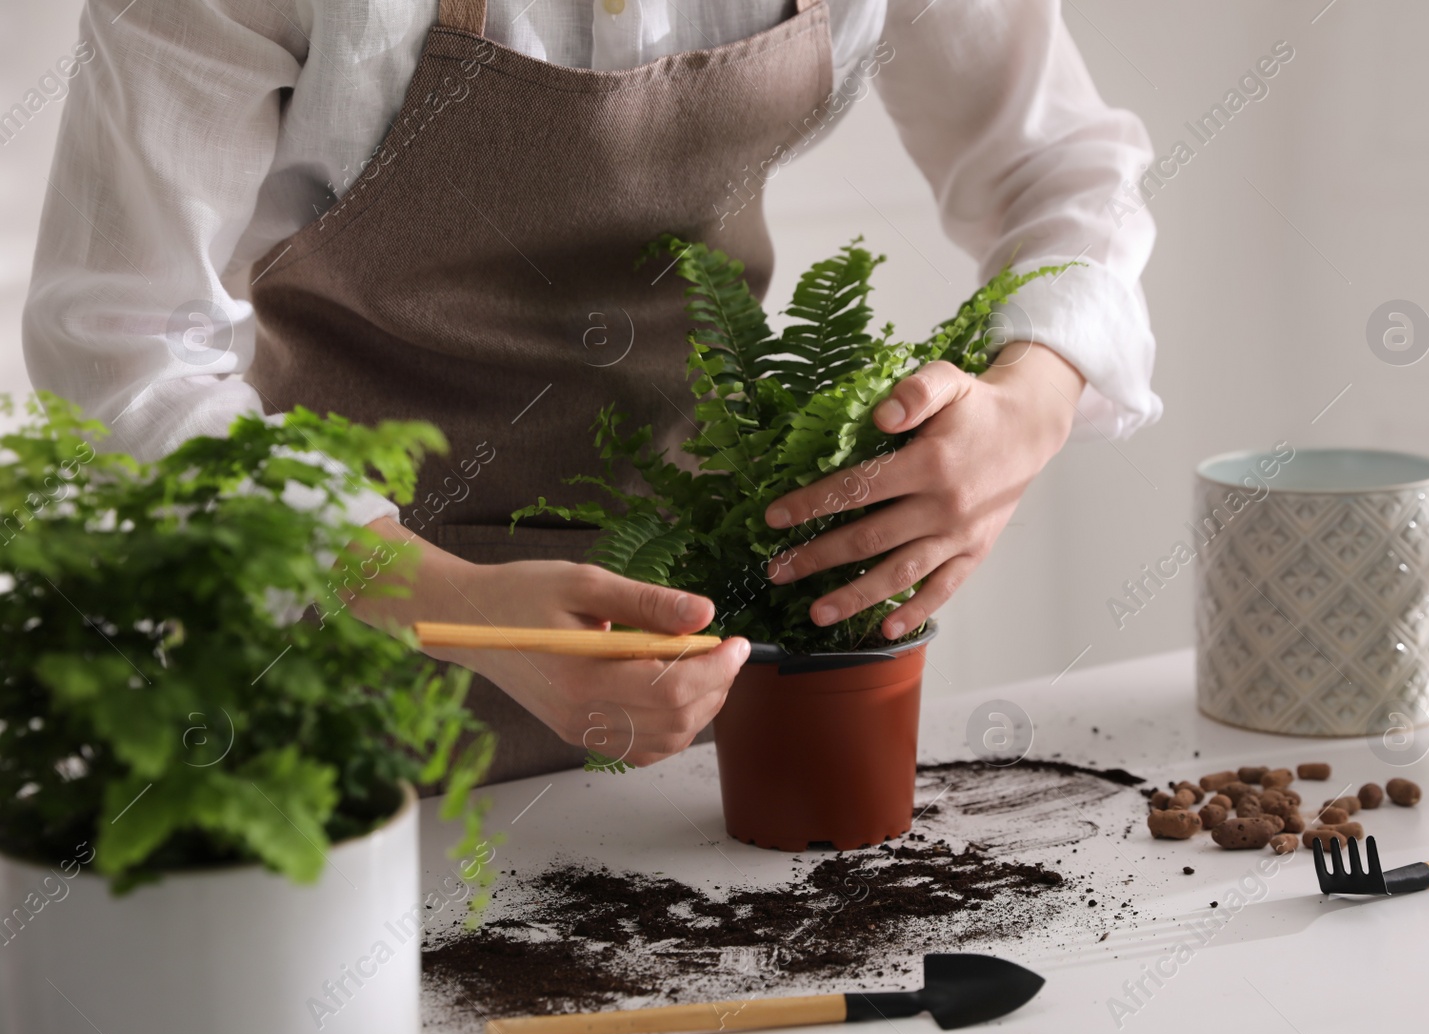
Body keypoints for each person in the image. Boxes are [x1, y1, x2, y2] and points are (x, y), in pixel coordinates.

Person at [24, 0, 1159, 782]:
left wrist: (1027, 400)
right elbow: (124, 351)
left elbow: (1055, 167)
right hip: (338, 714)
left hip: (728, 694)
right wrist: (454, 604)